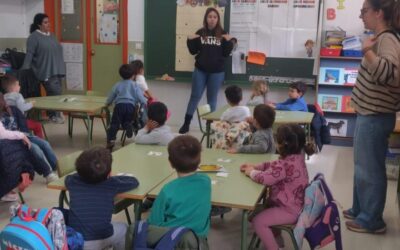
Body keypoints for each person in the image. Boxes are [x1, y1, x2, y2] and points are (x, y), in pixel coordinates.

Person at [344, 0, 400, 234]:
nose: (361, 16)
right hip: (369, 112)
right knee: (362, 166)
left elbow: (391, 75)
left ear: (379, 13)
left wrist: (367, 51)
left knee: (370, 169)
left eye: (364, 11)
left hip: (376, 115)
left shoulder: (387, 38)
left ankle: (372, 220)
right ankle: (360, 210)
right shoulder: (380, 37)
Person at [240, 124, 314, 249]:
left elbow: (266, 179)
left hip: (289, 209)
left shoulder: (285, 164)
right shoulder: (296, 157)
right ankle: (277, 240)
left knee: (258, 222)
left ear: (282, 145)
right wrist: (256, 166)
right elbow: (273, 165)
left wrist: (251, 172)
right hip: (294, 205)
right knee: (257, 214)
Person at [65, 147, 139, 250]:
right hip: (100, 237)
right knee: (124, 229)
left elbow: (68, 178)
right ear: (108, 173)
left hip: (75, 238)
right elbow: (134, 181)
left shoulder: (73, 181)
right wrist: (111, 178)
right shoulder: (111, 184)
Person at [179, 7, 235, 134]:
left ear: (218, 19)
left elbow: (226, 53)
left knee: (212, 99)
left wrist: (230, 41)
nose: (212, 19)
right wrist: (189, 39)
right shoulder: (200, 32)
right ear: (206, 18)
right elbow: (193, 51)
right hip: (200, 70)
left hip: (217, 72)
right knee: (195, 96)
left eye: (215, 17)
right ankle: (186, 123)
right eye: (210, 17)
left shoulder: (222, 33)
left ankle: (210, 126)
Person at [147, 135, 210, 248]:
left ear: (170, 163)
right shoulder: (206, 181)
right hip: (197, 239)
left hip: (170, 239)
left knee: (136, 229)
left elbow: (154, 222)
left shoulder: (168, 190)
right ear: (199, 160)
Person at [0, 93, 58, 183]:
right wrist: (21, 138)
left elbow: (23, 123)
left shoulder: (13, 110)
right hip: (10, 142)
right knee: (34, 148)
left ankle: (56, 167)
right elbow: (3, 135)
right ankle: (48, 173)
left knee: (44, 144)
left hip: (22, 135)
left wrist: (24, 135)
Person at [22, 13, 66, 124]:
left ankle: (53, 114)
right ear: (39, 25)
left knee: (56, 93)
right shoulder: (33, 37)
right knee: (54, 93)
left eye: (48, 22)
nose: (48, 24)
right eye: (45, 22)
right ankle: (54, 115)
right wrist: (24, 70)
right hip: (45, 71)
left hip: (57, 69)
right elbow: (29, 54)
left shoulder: (51, 35)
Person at [106, 64, 147, 151]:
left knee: (114, 124)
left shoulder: (118, 84)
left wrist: (108, 103)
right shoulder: (135, 85)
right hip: (131, 107)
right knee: (127, 120)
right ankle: (128, 125)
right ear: (133, 75)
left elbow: (111, 95)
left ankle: (111, 141)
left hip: (119, 106)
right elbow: (141, 97)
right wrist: (144, 102)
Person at [1, 74, 44, 138]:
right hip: (20, 122)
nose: (19, 86)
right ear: (14, 87)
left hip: (7, 123)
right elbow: (22, 108)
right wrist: (31, 104)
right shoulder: (18, 96)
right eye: (18, 85)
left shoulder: (3, 97)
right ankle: (39, 140)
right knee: (37, 125)